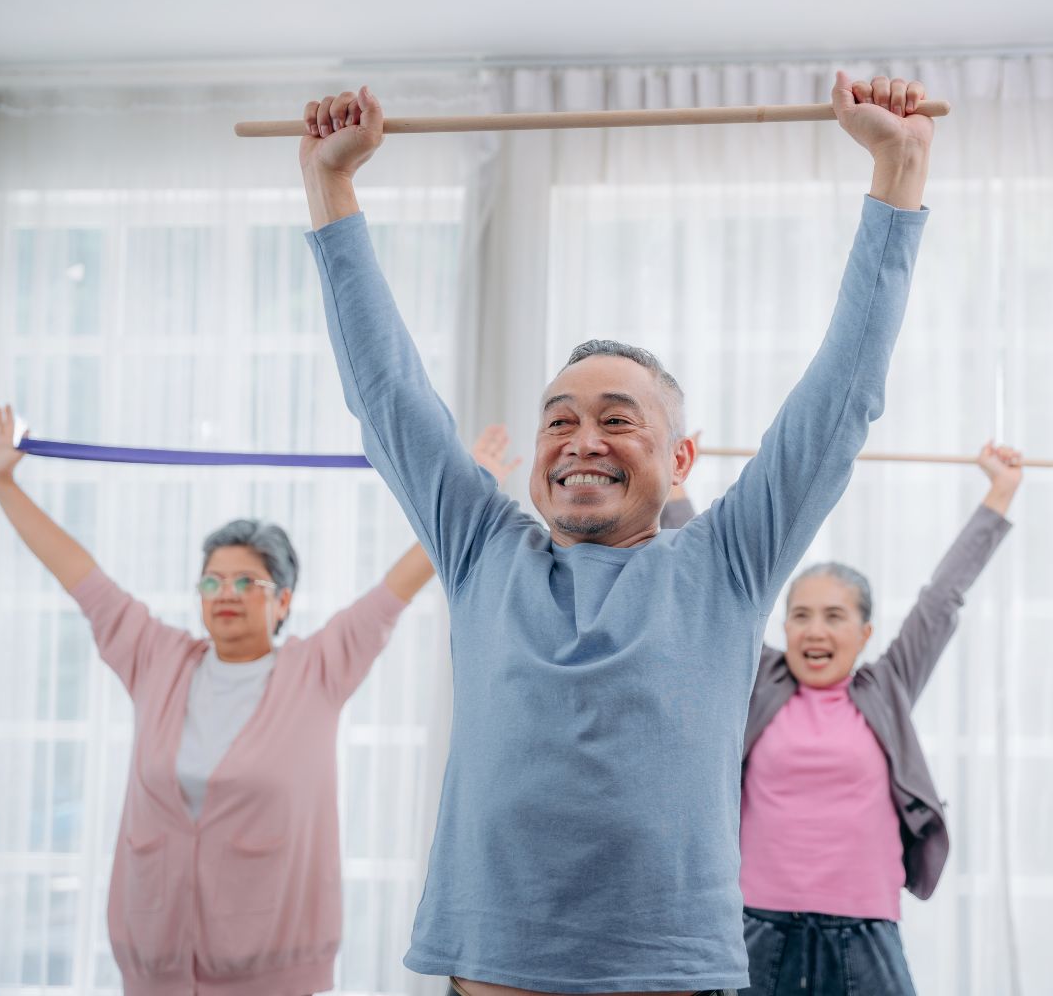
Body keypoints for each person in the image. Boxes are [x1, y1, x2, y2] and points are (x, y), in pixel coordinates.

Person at [300, 72, 933, 995]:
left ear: (680, 460)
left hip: (667, 973)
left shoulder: (724, 563)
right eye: (559, 419)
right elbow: (385, 393)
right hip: (494, 971)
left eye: (616, 418)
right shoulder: (482, 551)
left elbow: (842, 401)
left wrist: (897, 168)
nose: (582, 439)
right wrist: (331, 187)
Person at [0, 404, 519, 996]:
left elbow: (399, 583)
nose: (225, 594)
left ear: (283, 601)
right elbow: (81, 574)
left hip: (274, 970)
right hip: (152, 963)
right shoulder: (156, 658)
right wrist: (1, 485)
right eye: (211, 581)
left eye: (246, 582)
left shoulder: (319, 667)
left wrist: (469, 490)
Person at [734, 443, 1020, 995]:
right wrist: (673, 492)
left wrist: (1000, 491)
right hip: (757, 926)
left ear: (864, 635)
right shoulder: (759, 680)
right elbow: (717, 595)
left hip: (865, 931)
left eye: (834, 616)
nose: (815, 631)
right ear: (784, 628)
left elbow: (941, 601)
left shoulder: (887, 687)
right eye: (801, 617)